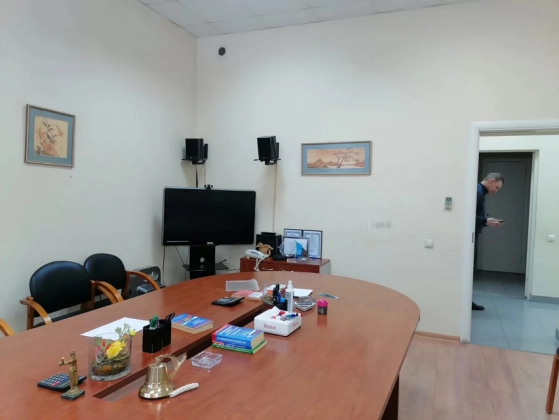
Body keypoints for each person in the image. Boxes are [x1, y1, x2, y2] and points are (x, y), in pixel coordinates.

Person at [473, 173, 505, 310]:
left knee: (471, 270)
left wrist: (486, 221)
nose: (496, 191)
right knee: (469, 270)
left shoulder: (480, 192)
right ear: (492, 181)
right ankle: (466, 302)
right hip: (470, 236)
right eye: (496, 187)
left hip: (474, 233)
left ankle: (468, 301)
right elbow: (468, 214)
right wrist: (485, 221)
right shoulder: (478, 192)